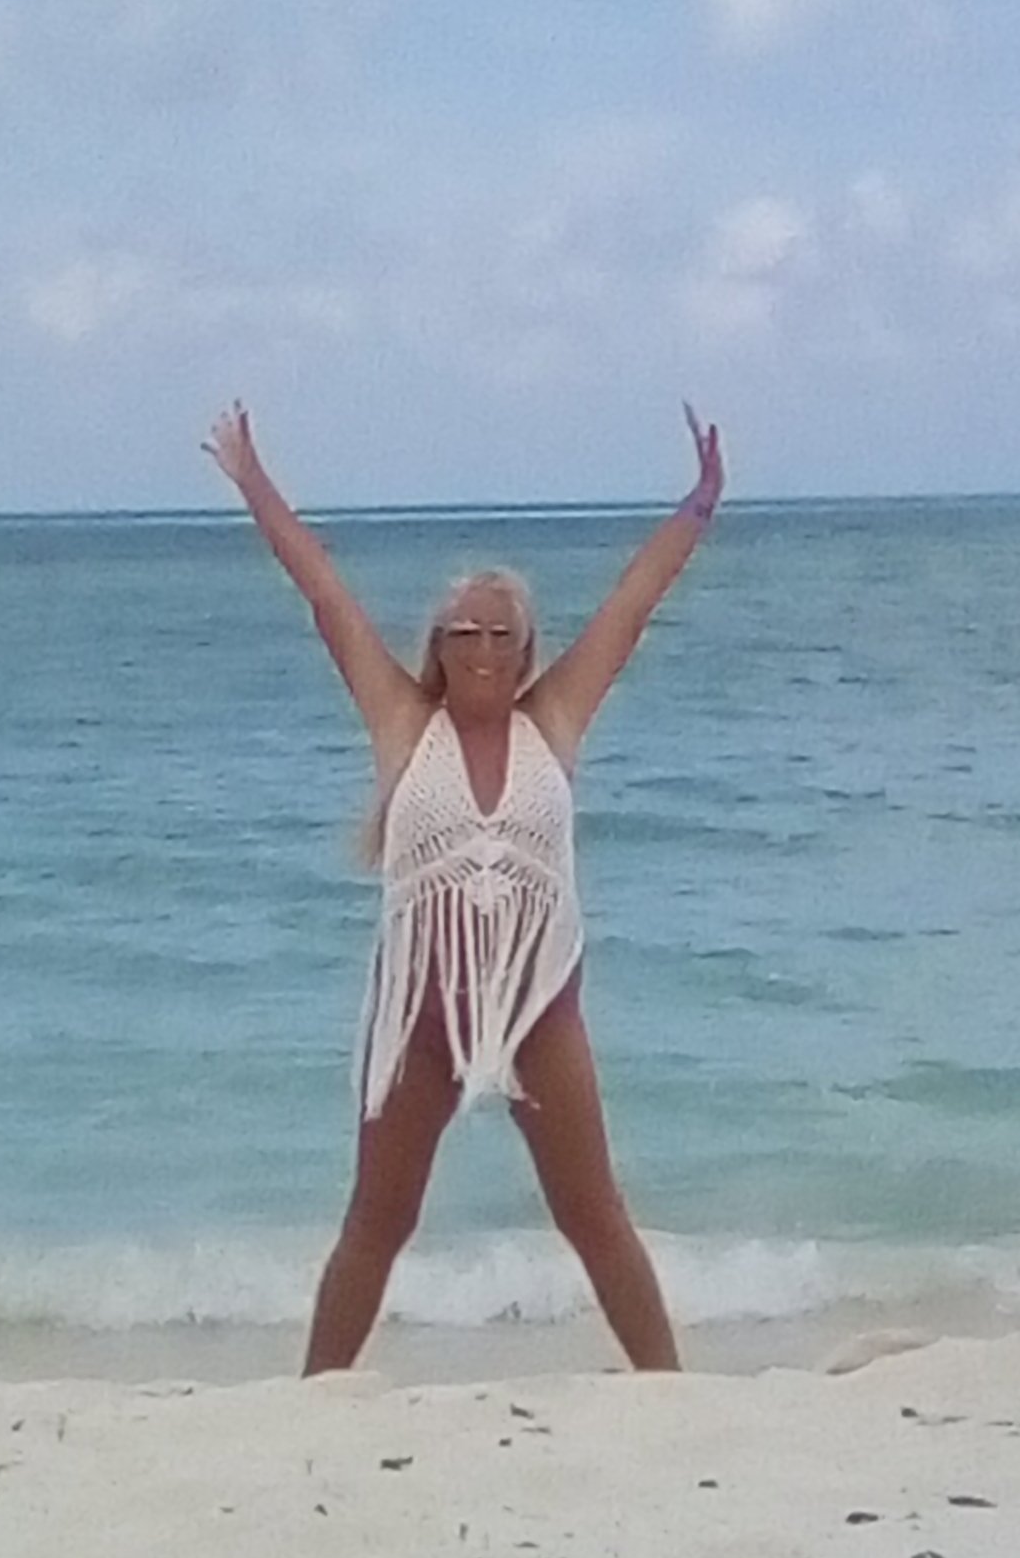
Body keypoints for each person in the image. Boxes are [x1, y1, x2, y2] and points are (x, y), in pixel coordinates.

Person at [202, 401, 723, 1376]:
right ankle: (314, 1395)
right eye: (464, 632)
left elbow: (632, 604)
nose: (482, 648)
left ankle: (671, 1389)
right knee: (377, 1223)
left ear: (526, 651)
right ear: (438, 645)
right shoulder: (404, 724)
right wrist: (253, 481)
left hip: (539, 1011)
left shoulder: (553, 719)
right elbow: (324, 593)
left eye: (500, 634)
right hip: (422, 1019)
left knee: (594, 1215)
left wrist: (700, 502)